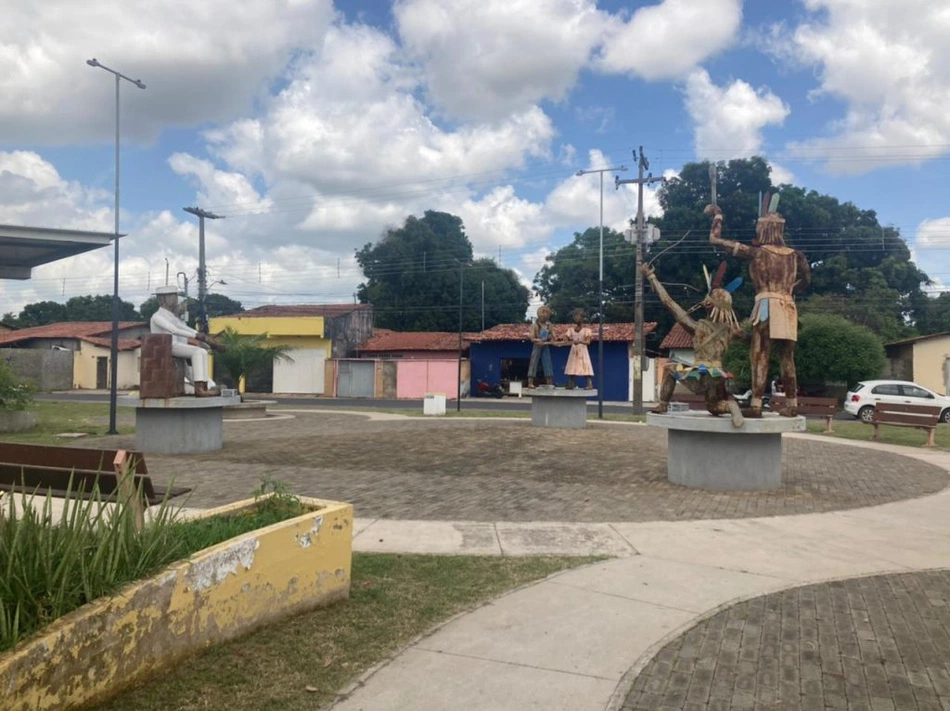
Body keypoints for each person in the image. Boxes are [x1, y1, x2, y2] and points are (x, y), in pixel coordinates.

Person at [706, 197, 811, 416]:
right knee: (787, 357)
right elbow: (807, 280)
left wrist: (718, 215)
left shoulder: (757, 252)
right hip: (788, 307)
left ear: (763, 228)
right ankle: (791, 404)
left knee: (760, 354)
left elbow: (714, 239)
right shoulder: (796, 256)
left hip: (766, 305)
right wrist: (789, 291)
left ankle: (755, 404)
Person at [642, 263, 745, 428]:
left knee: (669, 368)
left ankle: (663, 404)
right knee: (713, 406)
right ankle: (730, 406)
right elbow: (746, 335)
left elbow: (668, 302)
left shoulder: (697, 328)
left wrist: (651, 277)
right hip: (718, 375)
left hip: (700, 373)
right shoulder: (731, 331)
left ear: (709, 305)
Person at [149, 285, 224, 397]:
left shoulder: (171, 317)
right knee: (197, 352)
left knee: (202, 352)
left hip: (175, 345)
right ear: (162, 299)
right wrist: (196, 335)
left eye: (174, 296)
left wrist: (204, 337)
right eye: (171, 296)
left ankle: (203, 386)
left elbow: (185, 328)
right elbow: (173, 330)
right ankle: (199, 390)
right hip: (166, 347)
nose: (174, 299)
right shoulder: (157, 316)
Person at [564, 308, 594, 390]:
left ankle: (589, 383)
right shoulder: (570, 330)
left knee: (585, 366)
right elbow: (565, 338)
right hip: (574, 350)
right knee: (572, 366)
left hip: (583, 350)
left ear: (582, 318)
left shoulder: (587, 330)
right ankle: (571, 383)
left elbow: (588, 342)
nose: (576, 318)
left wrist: (580, 341)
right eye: (575, 316)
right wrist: (567, 340)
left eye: (578, 316)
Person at [527, 305, 555, 388]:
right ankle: (530, 381)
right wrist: (539, 340)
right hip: (537, 346)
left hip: (545, 346)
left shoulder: (549, 325)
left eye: (547, 314)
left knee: (547, 361)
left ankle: (549, 381)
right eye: (543, 313)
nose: (545, 316)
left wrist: (551, 338)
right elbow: (532, 337)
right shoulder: (534, 325)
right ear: (539, 315)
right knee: (533, 362)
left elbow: (553, 335)